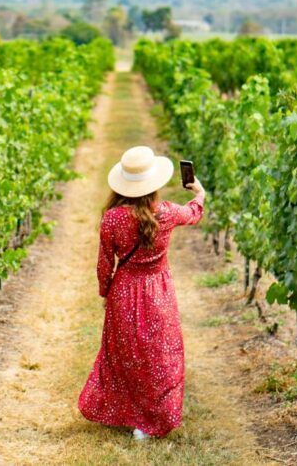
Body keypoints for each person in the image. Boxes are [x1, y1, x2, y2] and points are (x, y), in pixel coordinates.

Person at [78, 145, 205, 440]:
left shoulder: (112, 219)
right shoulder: (167, 212)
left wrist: (105, 292)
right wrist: (199, 192)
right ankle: (148, 421)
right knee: (159, 354)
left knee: (125, 354)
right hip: (157, 290)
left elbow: (103, 264)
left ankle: (127, 413)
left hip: (124, 290)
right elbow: (193, 213)